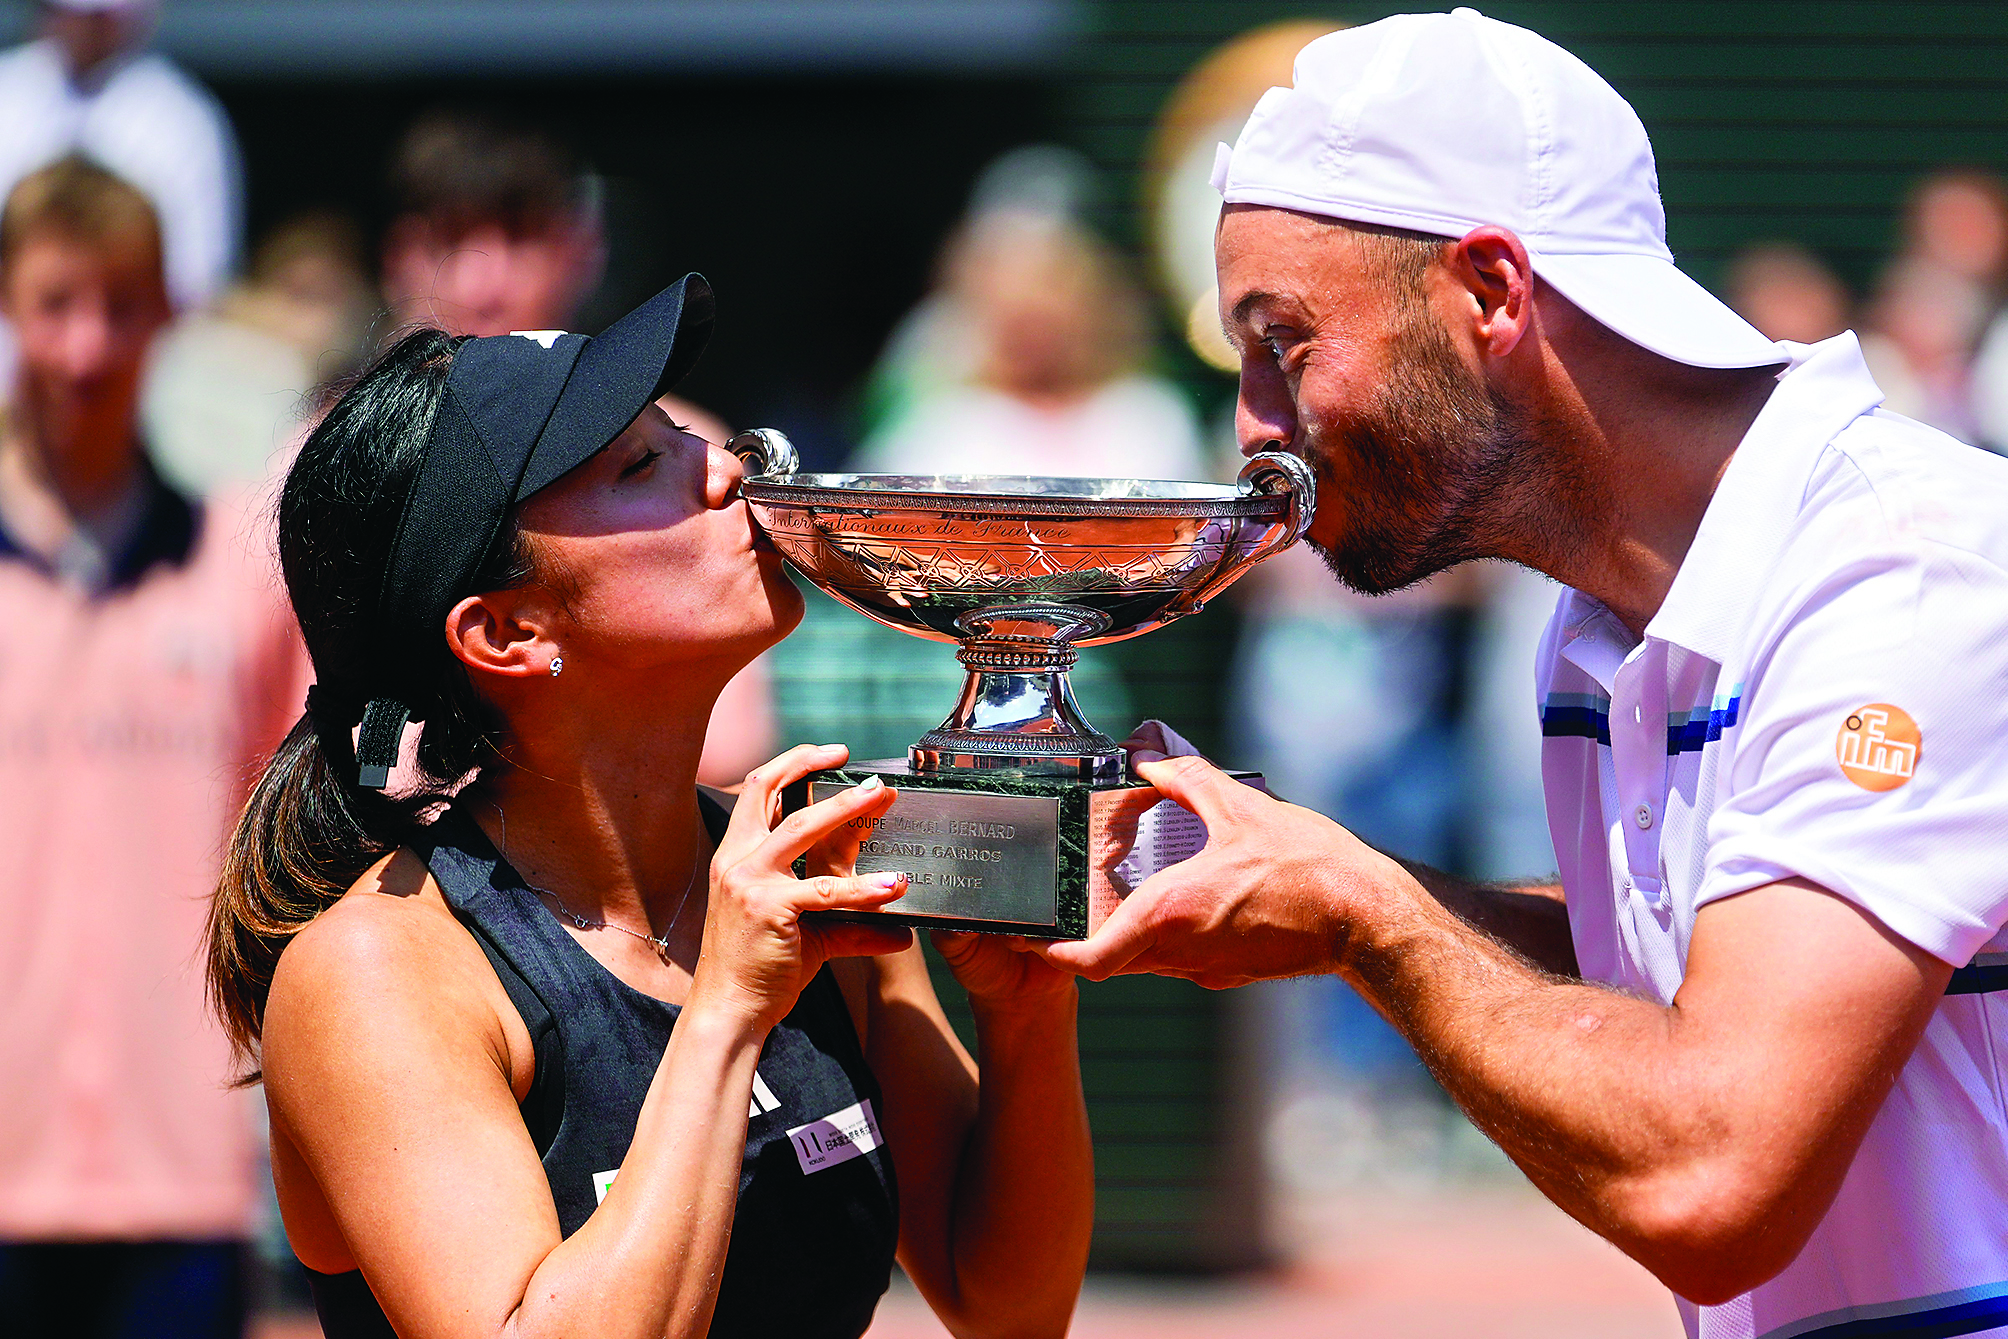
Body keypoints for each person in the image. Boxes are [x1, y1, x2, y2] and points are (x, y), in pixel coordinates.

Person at [1034, 12, 2008, 1337]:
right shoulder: (1614, 602)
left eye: (1285, 341)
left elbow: (1715, 1178)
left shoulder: (1907, 573)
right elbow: (1701, 949)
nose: (1259, 421)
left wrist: (1360, 905)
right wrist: (1333, 898)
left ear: (1491, 290)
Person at [204, 275, 1094, 1338]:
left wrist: (1028, 1007)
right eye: (642, 463)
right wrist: (724, 1011)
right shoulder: (374, 971)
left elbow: (1007, 1303)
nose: (730, 467)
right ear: (507, 634)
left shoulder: (803, 869)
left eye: (681, 436)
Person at [0, 155, 304, 1337]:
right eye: (56, 304)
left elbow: (293, 849)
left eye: (121, 306)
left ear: (170, 313)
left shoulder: (239, 569)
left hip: (184, 1169)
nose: (88, 348)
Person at [0, 0, 241, 316]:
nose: (89, 25)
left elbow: (198, 280)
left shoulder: (184, 116)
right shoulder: (10, 86)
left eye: (103, 15)